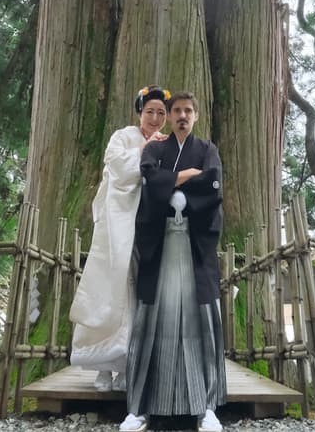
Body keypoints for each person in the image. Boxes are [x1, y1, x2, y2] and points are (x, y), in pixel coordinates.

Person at [121, 91, 226, 432]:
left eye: (188, 111)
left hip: (194, 245)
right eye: (177, 110)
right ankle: (138, 408)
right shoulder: (154, 148)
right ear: (170, 115)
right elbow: (149, 181)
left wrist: (171, 186)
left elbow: (212, 184)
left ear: (195, 116)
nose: (182, 115)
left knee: (202, 325)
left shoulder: (207, 149)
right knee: (150, 323)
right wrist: (182, 178)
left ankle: (206, 406)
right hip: (161, 244)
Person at [69, 85, 170, 391]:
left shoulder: (167, 144)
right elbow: (118, 169)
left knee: (141, 294)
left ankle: (129, 366)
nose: (155, 117)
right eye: (150, 111)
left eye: (161, 113)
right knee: (109, 289)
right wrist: (146, 148)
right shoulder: (122, 137)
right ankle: (101, 367)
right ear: (140, 111)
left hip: (148, 227)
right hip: (117, 225)